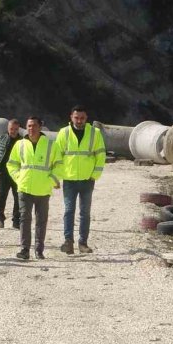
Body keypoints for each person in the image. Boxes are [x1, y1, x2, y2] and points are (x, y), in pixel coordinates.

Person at [7, 116, 64, 260]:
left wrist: (51, 180)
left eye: (34, 126)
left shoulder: (52, 145)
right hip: (24, 188)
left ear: (40, 127)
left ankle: (39, 250)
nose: (31, 129)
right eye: (29, 126)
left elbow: (59, 166)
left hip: (43, 190)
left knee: (41, 221)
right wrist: (18, 178)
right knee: (24, 220)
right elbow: (11, 164)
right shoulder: (19, 145)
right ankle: (24, 250)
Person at [55, 105, 106, 255]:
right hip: (69, 180)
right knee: (69, 211)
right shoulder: (63, 133)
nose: (79, 120)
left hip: (87, 180)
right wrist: (57, 176)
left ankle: (83, 243)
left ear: (86, 118)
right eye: (76, 117)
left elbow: (101, 155)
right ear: (71, 117)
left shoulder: (94, 133)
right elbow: (57, 156)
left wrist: (94, 175)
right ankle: (68, 242)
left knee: (85, 212)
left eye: (82, 118)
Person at [0, 119, 22, 229]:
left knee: (18, 197)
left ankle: (16, 220)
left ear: (19, 129)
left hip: (17, 173)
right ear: (8, 128)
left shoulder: (22, 142)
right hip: (3, 173)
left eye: (15, 129)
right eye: (11, 129)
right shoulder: (1, 139)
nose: (13, 131)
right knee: (2, 196)